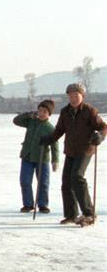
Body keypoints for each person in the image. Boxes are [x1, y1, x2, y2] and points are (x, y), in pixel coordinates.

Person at [39, 83, 106, 226]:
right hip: (70, 150)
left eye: (77, 95)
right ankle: (71, 215)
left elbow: (103, 127)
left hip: (85, 149)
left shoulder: (89, 111)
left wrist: (100, 136)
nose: (74, 98)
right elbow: (59, 131)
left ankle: (89, 213)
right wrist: (48, 139)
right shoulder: (65, 112)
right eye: (71, 95)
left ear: (82, 96)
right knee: (66, 182)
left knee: (77, 176)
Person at [12, 99, 59, 213]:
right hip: (27, 157)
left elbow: (55, 146)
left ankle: (43, 205)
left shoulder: (50, 128)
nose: (41, 113)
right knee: (25, 181)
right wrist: (29, 114)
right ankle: (28, 204)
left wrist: (55, 160)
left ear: (49, 114)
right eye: (40, 111)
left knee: (43, 183)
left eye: (44, 112)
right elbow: (16, 121)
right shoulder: (31, 122)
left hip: (42, 159)